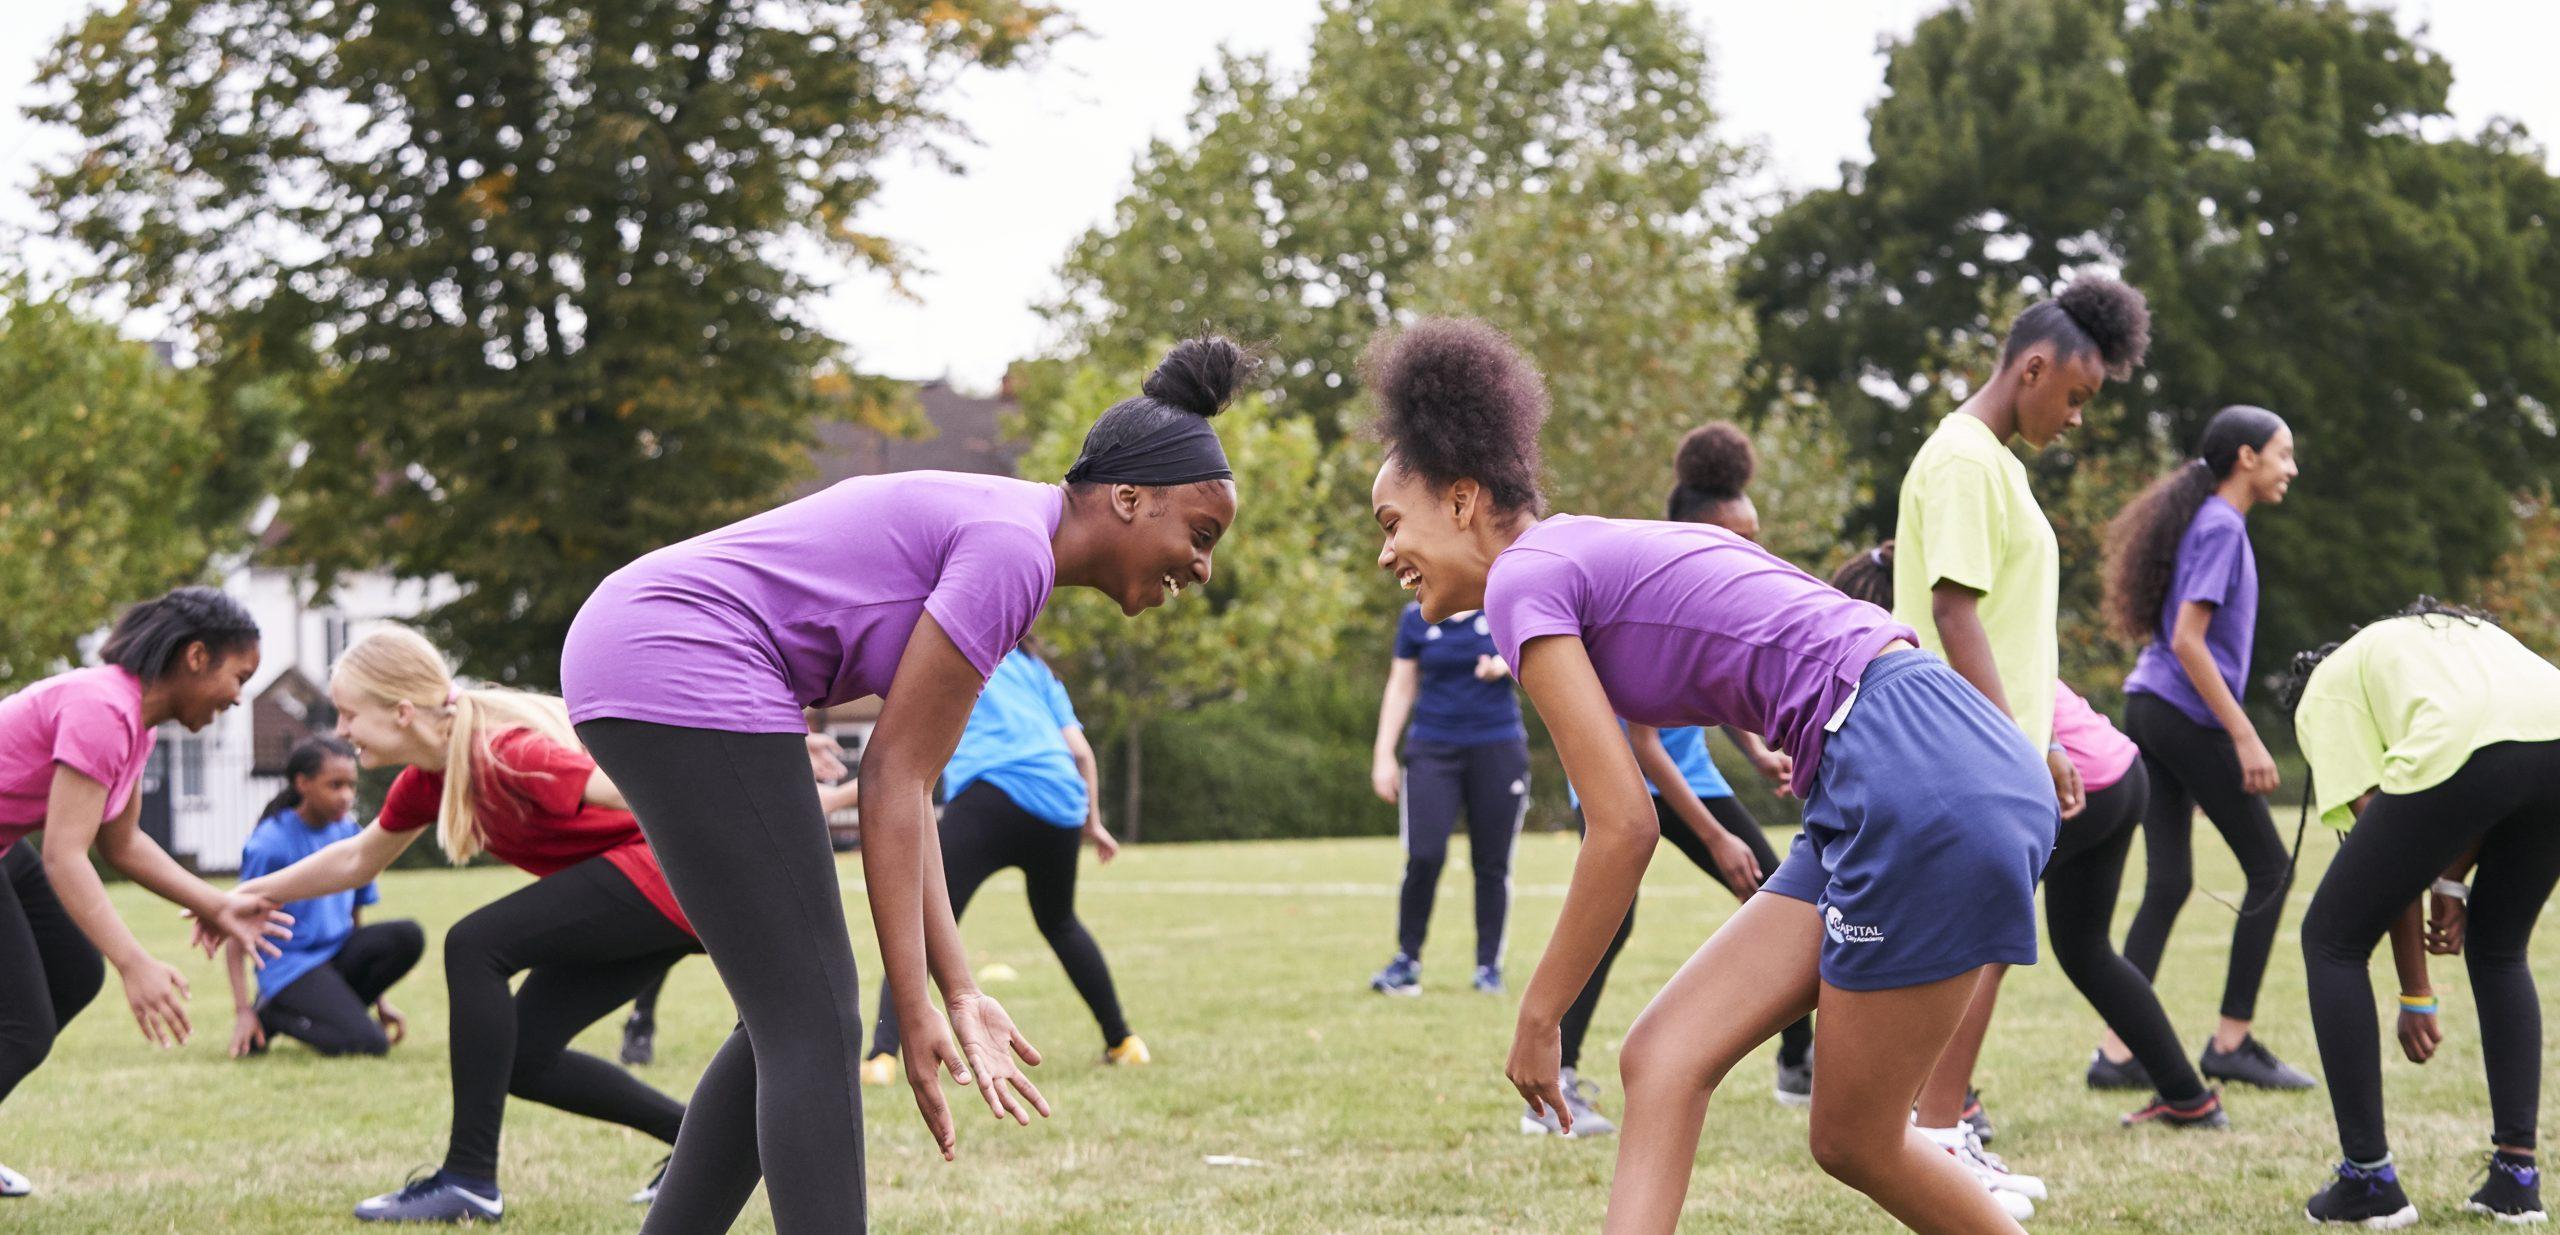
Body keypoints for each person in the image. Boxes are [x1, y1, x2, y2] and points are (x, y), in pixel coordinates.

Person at [1368, 316, 2052, 1233]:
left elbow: (1622, 826)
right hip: (1916, 751)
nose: (1385, 553)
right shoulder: (1582, 551)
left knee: (1853, 1135)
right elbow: (1720, 652)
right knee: (1663, 1053)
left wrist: (1540, 1014)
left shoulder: (1520, 580)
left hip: (1908, 763)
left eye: (1390, 522)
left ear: (1460, 501)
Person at [562, 336, 1247, 1234]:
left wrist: (955, 989)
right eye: (1199, 536)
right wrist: (913, 998)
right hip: (683, 653)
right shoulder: (1014, 552)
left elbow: (911, 787)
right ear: (1128, 498)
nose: (1201, 567)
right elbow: (892, 776)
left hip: (644, 645)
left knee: (786, 1018)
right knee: (812, 1022)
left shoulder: (1012, 539)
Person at [228, 627, 713, 1223]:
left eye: (350, 715)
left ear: (402, 713)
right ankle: (706, 1148)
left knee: (475, 943)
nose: (343, 731)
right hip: (655, 898)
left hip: (669, 881)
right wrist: (239, 897)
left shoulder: (504, 752)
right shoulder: (434, 775)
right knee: (524, 1058)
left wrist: (770, 798)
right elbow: (358, 858)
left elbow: (639, 790)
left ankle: (469, 1179)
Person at [1834, 545, 2227, 1150]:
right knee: (2087, 950)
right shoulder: (1976, 637)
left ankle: (1952, 1107)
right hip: (2119, 775)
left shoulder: (1917, 655)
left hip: (2066, 783)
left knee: (1977, 943)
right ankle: (2188, 1096)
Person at [1891, 277, 2151, 1174]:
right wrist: (2015, 749)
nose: (2077, 417)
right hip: (1964, 752)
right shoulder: (1965, 458)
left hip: (1996, 748)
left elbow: (2001, 626)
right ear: (2032, 367)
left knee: (1985, 947)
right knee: (1974, 947)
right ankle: (1936, 1136)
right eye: (2076, 396)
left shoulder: (1996, 463)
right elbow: (1954, 612)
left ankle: (1940, 1133)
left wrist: (2043, 738)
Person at [1537, 423, 1809, 1140]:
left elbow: (1712, 690)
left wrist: (1754, 752)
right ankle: (1551, 1086)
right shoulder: (1651, 589)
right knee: (1636, 916)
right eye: (1739, 536)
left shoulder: (1712, 582)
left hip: (1687, 774)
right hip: (1639, 779)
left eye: (1756, 535)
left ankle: (1800, 1061)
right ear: (1695, 532)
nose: (1753, 551)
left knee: (1784, 895)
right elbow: (1643, 744)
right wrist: (1717, 836)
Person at [0, 587, 294, 1198]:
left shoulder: (135, 724)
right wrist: (134, 962)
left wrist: (218, 904)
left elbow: (123, 843)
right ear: (195, 657)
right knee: (23, 1027)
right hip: (19, 851)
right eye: (238, 676)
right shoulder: (103, 709)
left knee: (74, 974)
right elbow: (63, 854)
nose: (240, 696)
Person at [2287, 603, 2560, 1226]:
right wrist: (2453, 885)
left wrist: (2417, 993)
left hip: (2470, 749)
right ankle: (2516, 1180)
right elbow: (2481, 773)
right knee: (2500, 949)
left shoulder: (2326, 691)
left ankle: (2368, 1181)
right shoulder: (2449, 640)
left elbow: (2382, 837)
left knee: (2330, 939)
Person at [2099, 404, 2313, 1092]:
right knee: (2272, 869)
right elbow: (2190, 640)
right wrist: (2242, 735)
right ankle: (2232, 1040)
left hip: (2153, 707)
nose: (2291, 468)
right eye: (2282, 453)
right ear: (2246, 457)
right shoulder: (2222, 525)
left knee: (2168, 881)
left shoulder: (2209, 521)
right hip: (2180, 711)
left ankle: (2118, 1052)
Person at [857, 644, 1142, 1084]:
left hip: (993, 794)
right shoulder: (1039, 670)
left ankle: (882, 1058)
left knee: (923, 920)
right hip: (1061, 802)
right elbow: (1082, 753)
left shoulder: (964, 644)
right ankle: (1124, 1042)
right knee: (1060, 921)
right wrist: (1094, 823)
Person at [1366, 595, 1529, 998]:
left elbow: (1536, 654)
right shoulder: (1415, 617)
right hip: (1432, 748)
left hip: (1498, 746)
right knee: (1424, 854)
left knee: (1492, 862)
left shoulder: (1501, 606)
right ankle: (1406, 961)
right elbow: (1401, 685)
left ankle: (1488, 968)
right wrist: (1383, 754)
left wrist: (1503, 665)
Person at [224, 736, 424, 1059]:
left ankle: (340, 1011)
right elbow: (236, 929)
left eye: (351, 786)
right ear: (303, 783)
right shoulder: (270, 844)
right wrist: (242, 1010)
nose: (346, 796)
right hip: (291, 967)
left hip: (335, 955)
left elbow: (356, 918)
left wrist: (379, 1000)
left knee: (407, 936)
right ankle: (272, 1013)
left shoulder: (349, 833)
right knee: (370, 1044)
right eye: (335, 785)